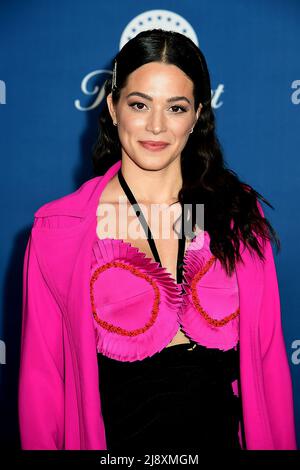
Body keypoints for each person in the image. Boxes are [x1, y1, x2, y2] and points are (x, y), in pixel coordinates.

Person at [18, 29, 297, 451]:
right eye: (139, 104)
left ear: (198, 114)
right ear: (113, 108)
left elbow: (268, 362)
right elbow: (42, 386)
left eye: (176, 107)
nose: (156, 126)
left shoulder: (235, 214)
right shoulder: (60, 229)